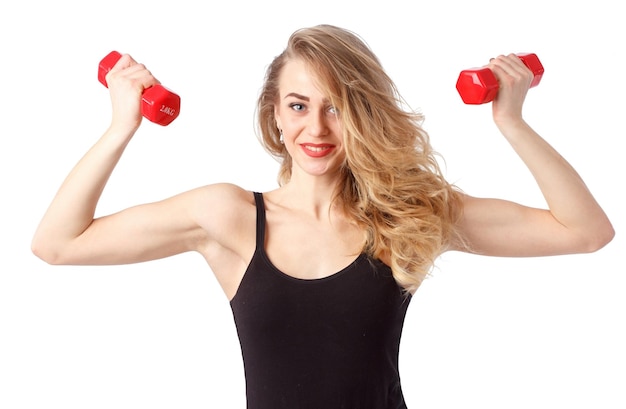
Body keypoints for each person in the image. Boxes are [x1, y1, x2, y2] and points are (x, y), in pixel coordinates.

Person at [31, 24, 614, 408]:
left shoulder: (406, 216)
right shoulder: (228, 217)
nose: (316, 128)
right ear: (275, 116)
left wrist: (511, 122)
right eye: (299, 105)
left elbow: (585, 232)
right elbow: (57, 243)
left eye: (338, 107)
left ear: (363, 115)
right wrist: (120, 126)